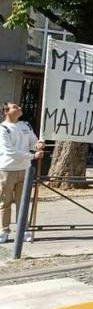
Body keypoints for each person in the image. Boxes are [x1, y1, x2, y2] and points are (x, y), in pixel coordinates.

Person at [0, 102, 44, 243]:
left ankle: (23, 230)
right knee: (4, 202)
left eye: (19, 106)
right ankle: (4, 231)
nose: (19, 108)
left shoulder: (25, 125)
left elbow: (33, 142)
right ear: (6, 111)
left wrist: (38, 144)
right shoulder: (3, 129)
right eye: (15, 107)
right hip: (7, 169)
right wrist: (32, 156)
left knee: (23, 202)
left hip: (25, 169)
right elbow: (9, 151)